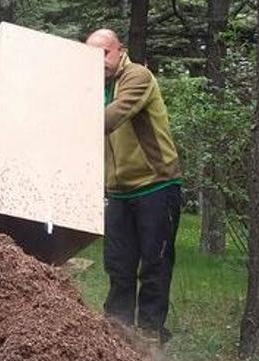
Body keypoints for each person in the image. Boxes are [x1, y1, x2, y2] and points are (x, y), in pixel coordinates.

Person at [86, 29, 182, 344]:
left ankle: (151, 335)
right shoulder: (88, 86)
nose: (98, 61)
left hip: (154, 183)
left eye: (105, 53)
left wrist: (65, 119)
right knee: (118, 265)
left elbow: (113, 117)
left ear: (119, 51)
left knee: (154, 263)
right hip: (118, 190)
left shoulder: (137, 76)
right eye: (91, 54)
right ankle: (117, 335)